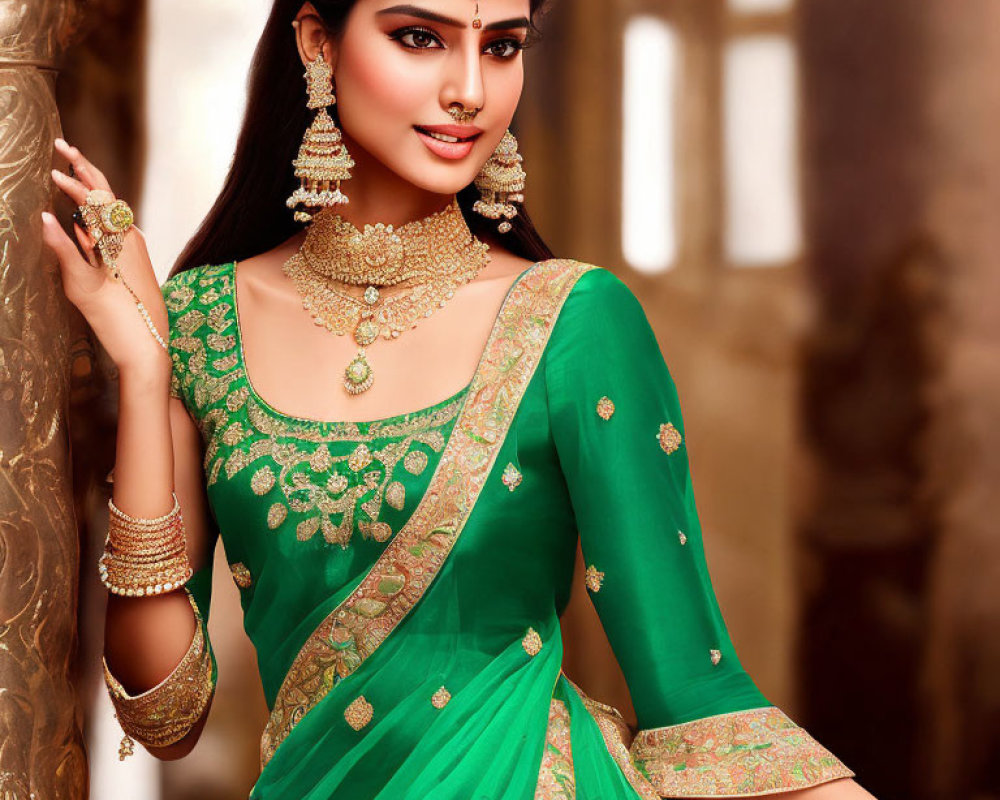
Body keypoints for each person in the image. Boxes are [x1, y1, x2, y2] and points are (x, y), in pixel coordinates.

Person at [42, 1, 874, 797]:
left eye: (503, 46)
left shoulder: (573, 323)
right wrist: (147, 374)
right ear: (317, 43)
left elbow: (697, 700)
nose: (470, 90)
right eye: (419, 38)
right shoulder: (201, 322)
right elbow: (165, 714)